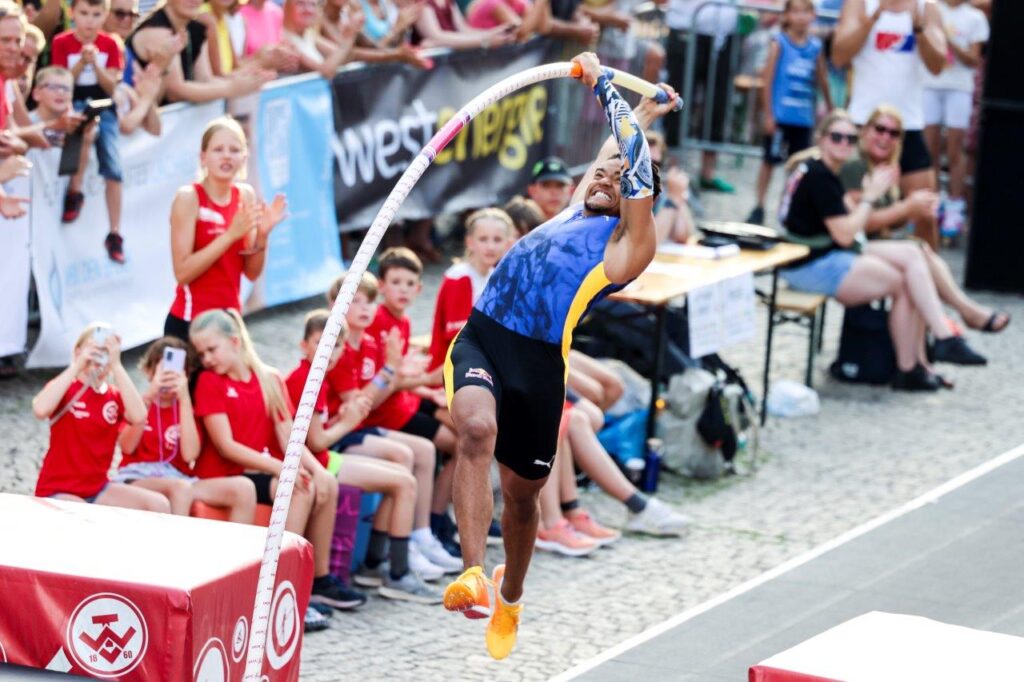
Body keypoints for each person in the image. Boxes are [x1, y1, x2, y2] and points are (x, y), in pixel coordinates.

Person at [442, 52, 673, 660]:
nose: (601, 177)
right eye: (599, 172)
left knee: (524, 498)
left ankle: (510, 595)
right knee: (473, 429)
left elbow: (638, 170)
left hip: (540, 366)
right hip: (484, 337)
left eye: (614, 178)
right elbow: (621, 156)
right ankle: (472, 573)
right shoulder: (580, 204)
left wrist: (603, 84)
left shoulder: (627, 247)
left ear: (635, 201)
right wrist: (645, 109)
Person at [778, 110, 984, 392]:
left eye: (849, 138)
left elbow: (852, 225)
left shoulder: (827, 171)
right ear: (821, 138)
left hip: (821, 253)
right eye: (836, 137)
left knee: (913, 257)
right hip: (809, 263)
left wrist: (892, 204)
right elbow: (847, 233)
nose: (843, 143)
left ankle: (936, 345)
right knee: (903, 279)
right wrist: (873, 197)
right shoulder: (821, 176)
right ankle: (916, 361)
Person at [188, 308, 360, 632]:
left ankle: (317, 580)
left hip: (257, 472)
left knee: (319, 481)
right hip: (225, 476)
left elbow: (288, 434)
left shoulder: (269, 379)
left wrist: (313, 469)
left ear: (235, 341)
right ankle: (279, 589)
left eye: (211, 349)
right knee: (295, 485)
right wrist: (282, 468)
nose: (206, 358)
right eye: (201, 353)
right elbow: (226, 446)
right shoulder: (209, 382)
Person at [286, 310, 443, 603]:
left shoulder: (319, 374)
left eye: (334, 346)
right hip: (321, 459)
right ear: (304, 345)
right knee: (404, 482)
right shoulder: (305, 379)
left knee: (404, 479)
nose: (328, 352)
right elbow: (317, 440)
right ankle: (394, 572)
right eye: (321, 343)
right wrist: (345, 423)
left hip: (325, 456)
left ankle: (378, 564)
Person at [326, 272, 462, 577]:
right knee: (405, 456)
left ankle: (419, 535)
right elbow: (362, 406)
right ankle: (391, 557)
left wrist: (406, 379)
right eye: (355, 301)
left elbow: (380, 390)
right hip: (340, 435)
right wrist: (393, 372)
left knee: (425, 450)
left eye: (369, 301)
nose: (364, 308)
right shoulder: (339, 350)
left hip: (360, 425)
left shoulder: (371, 343)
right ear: (336, 305)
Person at [839, 105, 1008, 334]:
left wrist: (918, 213)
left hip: (870, 244)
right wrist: (906, 208)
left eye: (894, 133)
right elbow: (860, 223)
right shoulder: (855, 167)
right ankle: (957, 318)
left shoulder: (884, 168)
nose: (885, 137)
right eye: (880, 129)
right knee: (916, 260)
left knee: (921, 252)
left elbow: (888, 222)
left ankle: (932, 344)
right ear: (865, 131)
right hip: (848, 248)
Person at [832, 0, 947, 249]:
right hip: (864, 122)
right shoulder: (860, 4)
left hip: (908, 125)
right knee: (846, 207)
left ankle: (927, 280)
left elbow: (938, 66)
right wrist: (873, 18)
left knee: (926, 214)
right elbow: (839, 55)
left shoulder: (927, 8)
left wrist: (919, 29)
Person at [165, 116, 286, 341]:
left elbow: (251, 272)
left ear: (244, 157)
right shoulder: (189, 198)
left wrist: (262, 236)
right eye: (218, 149)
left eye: (234, 150)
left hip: (229, 321)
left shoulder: (245, 195)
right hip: (190, 322)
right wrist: (230, 235)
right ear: (203, 157)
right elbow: (182, 273)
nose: (227, 156)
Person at [116, 336, 258, 521]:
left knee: (243, 488)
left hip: (180, 478)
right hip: (138, 476)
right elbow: (126, 446)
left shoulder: (187, 409)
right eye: (162, 370)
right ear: (148, 372)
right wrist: (151, 394)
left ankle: (240, 550)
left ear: (187, 375)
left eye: (176, 372)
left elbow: (190, 455)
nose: (169, 376)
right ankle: (176, 549)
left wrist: (184, 398)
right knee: (180, 488)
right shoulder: (138, 404)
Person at [31, 323, 166, 511]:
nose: (98, 356)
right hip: (58, 489)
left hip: (97, 488)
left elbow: (139, 415)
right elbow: (40, 409)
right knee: (86, 515)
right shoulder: (66, 387)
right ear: (78, 351)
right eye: (93, 348)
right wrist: (78, 365)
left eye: (104, 352)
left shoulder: (113, 395)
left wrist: (117, 365)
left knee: (159, 504)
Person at [747, 0, 832, 225]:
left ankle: (788, 208)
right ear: (787, 15)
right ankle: (759, 205)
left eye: (806, 11)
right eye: (796, 11)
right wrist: (768, 114)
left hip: (803, 118)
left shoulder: (815, 47)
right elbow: (768, 79)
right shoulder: (779, 43)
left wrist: (831, 108)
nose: (801, 17)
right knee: (769, 161)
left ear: (813, 15)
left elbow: (822, 78)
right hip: (780, 116)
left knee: (796, 166)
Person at [922, 0, 988, 239]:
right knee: (929, 148)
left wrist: (948, 43)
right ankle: (931, 200)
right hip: (929, 84)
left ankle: (955, 205)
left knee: (954, 149)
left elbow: (973, 58)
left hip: (959, 87)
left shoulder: (974, 17)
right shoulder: (929, 7)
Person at [129, 0, 273, 105]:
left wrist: (247, 81)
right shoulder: (159, 32)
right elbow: (176, 91)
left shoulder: (195, 28)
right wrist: (232, 88)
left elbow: (205, 79)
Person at [663, 0, 739, 193]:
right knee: (677, 98)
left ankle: (708, 172)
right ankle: (674, 169)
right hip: (686, 30)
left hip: (723, 36)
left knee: (718, 101)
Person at [282, 0, 360, 78]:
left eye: (312, 5)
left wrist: (350, 31)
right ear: (286, 8)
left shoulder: (309, 35)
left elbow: (347, 57)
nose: (308, 10)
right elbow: (325, 71)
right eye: (300, 3)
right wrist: (349, 38)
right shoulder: (284, 38)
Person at [525, 155, 573, 221]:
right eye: (546, 185)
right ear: (532, 191)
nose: (554, 192)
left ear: (571, 190)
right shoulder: (516, 227)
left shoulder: (579, 225)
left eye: (560, 185)